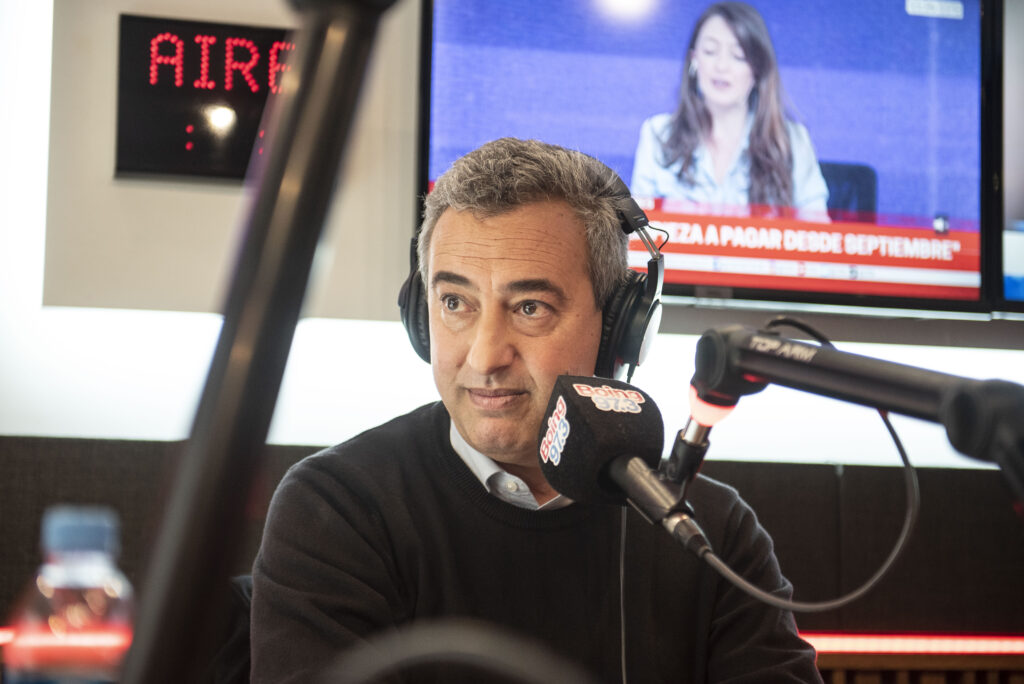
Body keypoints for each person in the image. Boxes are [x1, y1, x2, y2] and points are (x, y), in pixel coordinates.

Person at [250, 137, 822, 683]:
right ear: (421, 316)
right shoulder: (336, 508)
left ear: (618, 328)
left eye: (530, 307)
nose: (484, 356)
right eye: (455, 302)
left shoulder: (709, 534)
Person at [630, 2, 829, 221]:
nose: (721, 66)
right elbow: (636, 232)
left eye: (738, 55)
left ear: (757, 69)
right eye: (710, 51)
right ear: (694, 60)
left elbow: (818, 234)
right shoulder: (658, 136)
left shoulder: (791, 142)